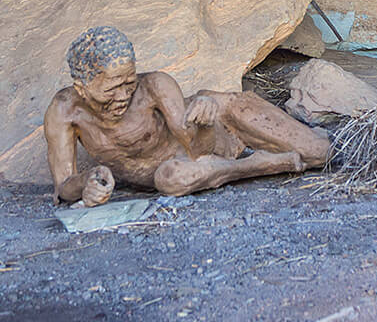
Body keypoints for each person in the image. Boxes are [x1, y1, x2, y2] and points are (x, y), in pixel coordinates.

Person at [44, 27, 328, 206]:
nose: (123, 96)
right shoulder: (64, 112)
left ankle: (266, 157)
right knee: (170, 179)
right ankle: (266, 163)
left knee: (320, 154)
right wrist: (86, 184)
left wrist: (205, 123)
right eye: (111, 89)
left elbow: (198, 150)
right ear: (81, 88)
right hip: (179, 170)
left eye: (128, 83)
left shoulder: (155, 86)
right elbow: (64, 188)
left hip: (222, 122)